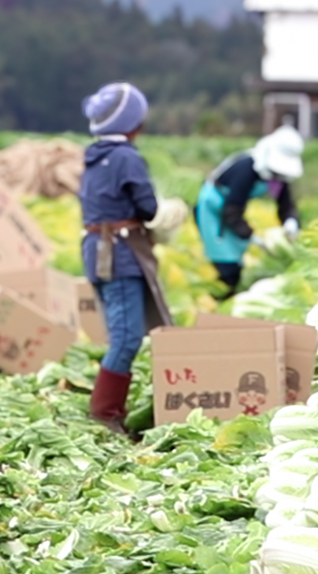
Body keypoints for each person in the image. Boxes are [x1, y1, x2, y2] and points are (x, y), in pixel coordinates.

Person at [78, 82, 186, 435]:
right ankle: (106, 415)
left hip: (96, 251)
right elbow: (148, 207)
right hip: (121, 254)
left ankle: (107, 410)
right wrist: (167, 211)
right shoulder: (126, 158)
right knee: (126, 338)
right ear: (134, 124)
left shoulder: (93, 156)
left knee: (121, 332)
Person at [195, 126, 305, 292]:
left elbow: (286, 204)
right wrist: (253, 237)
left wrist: (291, 222)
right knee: (226, 263)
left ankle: (227, 296)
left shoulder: (278, 175)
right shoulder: (246, 169)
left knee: (237, 260)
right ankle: (218, 300)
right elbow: (231, 209)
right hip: (214, 208)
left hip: (232, 210)